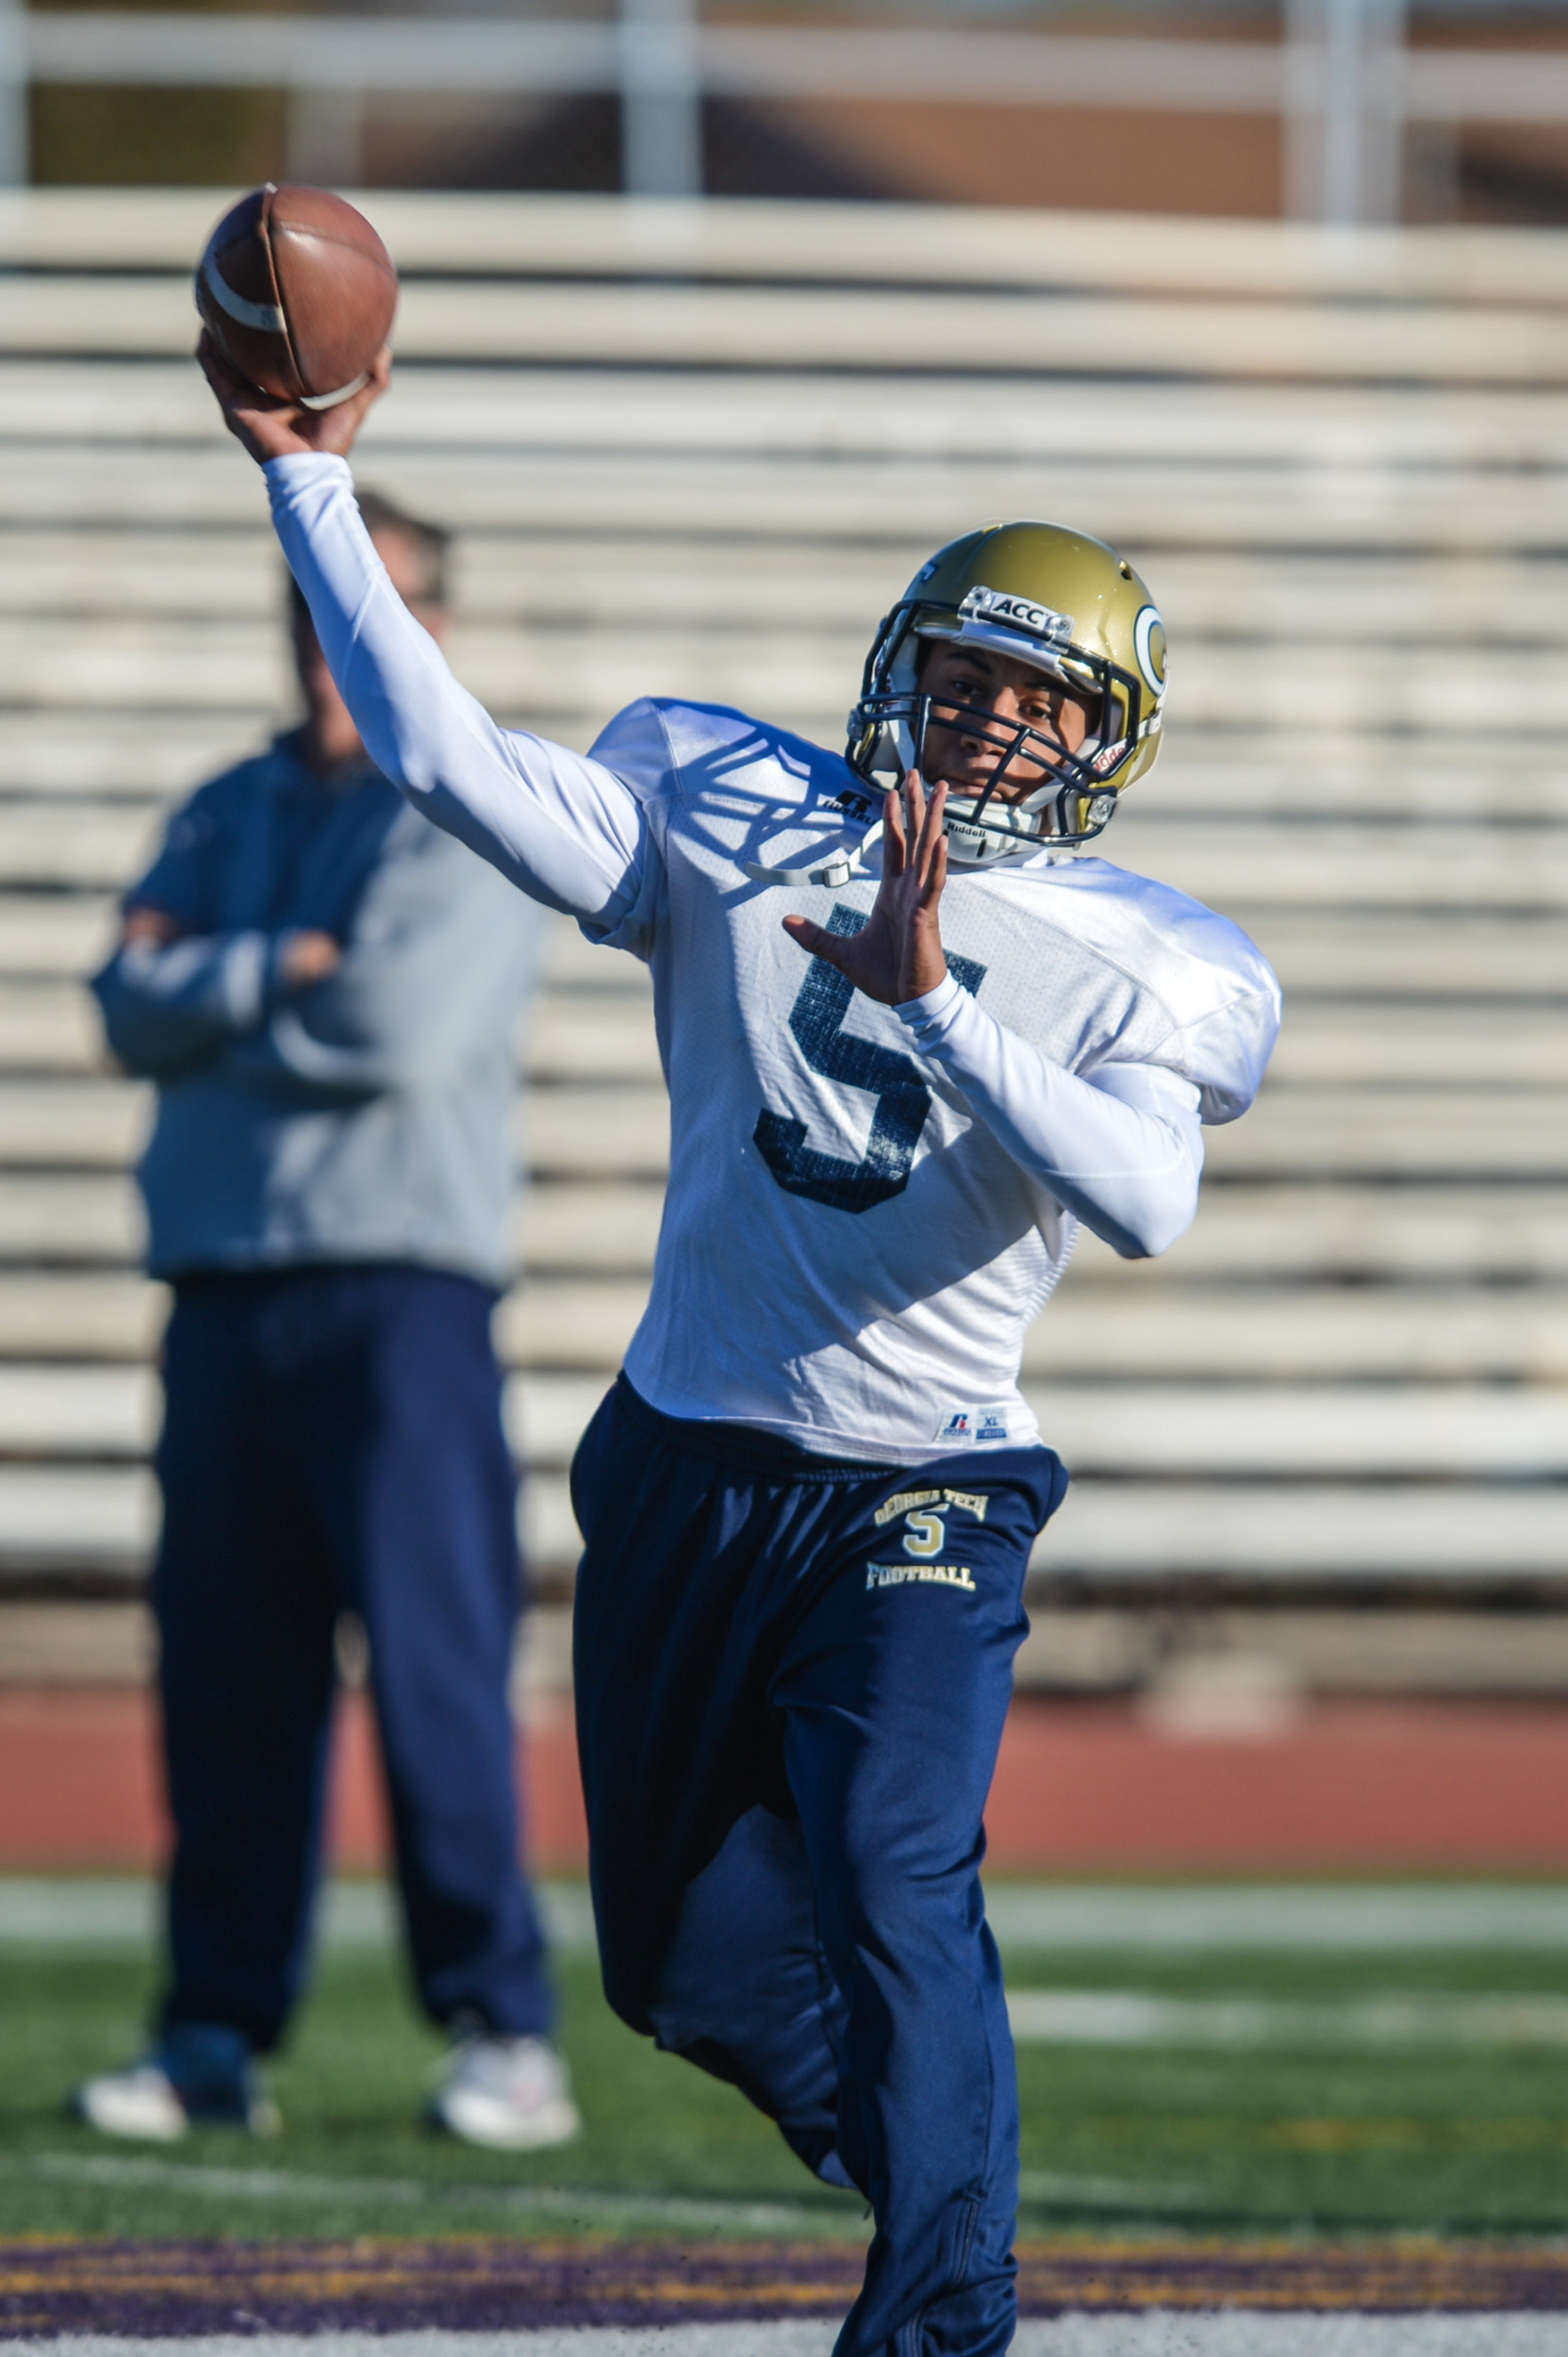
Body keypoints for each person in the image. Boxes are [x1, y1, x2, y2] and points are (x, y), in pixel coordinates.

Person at [200, 336, 1279, 2355]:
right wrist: (310, 484)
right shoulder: (728, 800)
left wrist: (944, 999)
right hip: (689, 1459)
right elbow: (445, 761)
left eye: (1038, 698)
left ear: (1104, 739)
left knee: (889, 1870)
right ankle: (934, 2154)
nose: (986, 720)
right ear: (897, 665)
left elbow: (1143, 1200)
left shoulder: (1157, 951)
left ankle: (940, 2307)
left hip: (930, 1479)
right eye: (962, 673)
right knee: (678, 1971)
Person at [75, 486, 579, 2153]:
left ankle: (503, 2027)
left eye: (367, 608)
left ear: (428, 626)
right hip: (224, 1292)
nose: (327, 645)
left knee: (436, 1675)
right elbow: (118, 1006)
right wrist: (264, 970)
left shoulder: (469, 806)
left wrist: (225, 990)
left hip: (400, 1290)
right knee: (227, 1685)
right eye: (304, 610)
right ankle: (212, 2033)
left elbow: (391, 1025)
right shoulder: (226, 807)